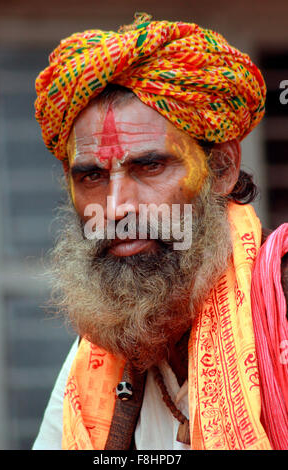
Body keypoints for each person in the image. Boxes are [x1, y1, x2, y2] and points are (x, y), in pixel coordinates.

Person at [32, 13, 288, 450]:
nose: (116, 208)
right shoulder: (92, 360)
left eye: (149, 166)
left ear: (222, 168)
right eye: (92, 176)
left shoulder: (279, 310)